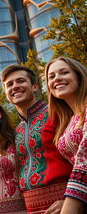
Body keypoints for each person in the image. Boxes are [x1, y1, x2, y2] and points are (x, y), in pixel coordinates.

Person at [1, 64, 73, 213]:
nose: (15, 86)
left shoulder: (58, 112)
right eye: (9, 84)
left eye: (20, 81)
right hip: (31, 206)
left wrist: (71, 201)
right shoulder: (17, 129)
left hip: (63, 203)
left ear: (34, 86)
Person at [45, 57, 87, 213]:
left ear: (79, 77)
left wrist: (71, 205)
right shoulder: (67, 121)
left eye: (64, 72)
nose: (57, 79)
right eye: (51, 76)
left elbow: (84, 159)